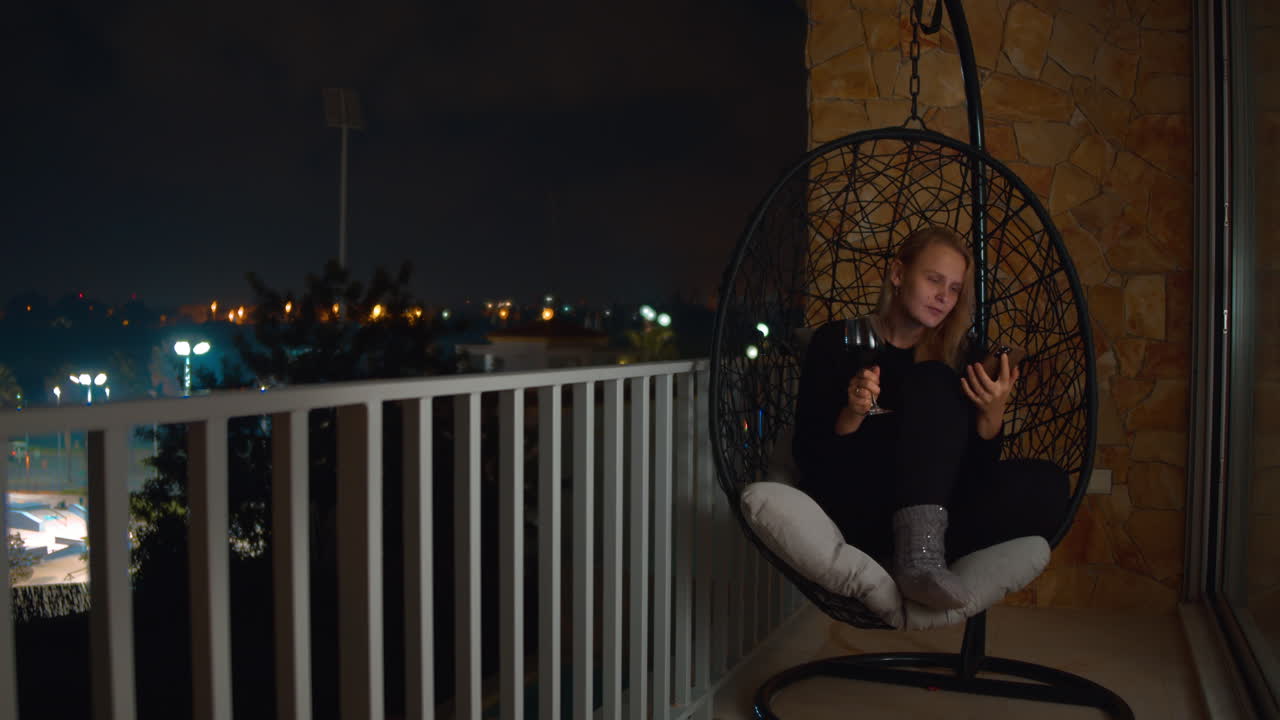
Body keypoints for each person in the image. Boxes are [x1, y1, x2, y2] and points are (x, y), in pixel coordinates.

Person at [792, 226, 1068, 610]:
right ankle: (914, 558)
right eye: (934, 280)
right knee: (933, 379)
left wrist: (991, 416)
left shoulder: (961, 354)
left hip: (935, 516)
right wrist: (852, 415)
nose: (943, 297)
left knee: (1049, 485)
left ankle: (920, 555)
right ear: (898, 273)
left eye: (954, 289)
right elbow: (809, 458)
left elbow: (974, 472)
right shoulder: (840, 340)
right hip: (861, 504)